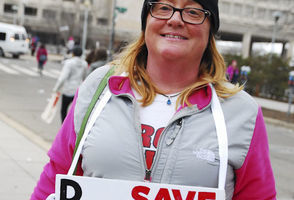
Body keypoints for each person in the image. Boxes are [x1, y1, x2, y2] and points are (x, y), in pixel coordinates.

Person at [31, 0, 276, 199]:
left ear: (210, 29)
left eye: (193, 11)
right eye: (163, 7)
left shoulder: (241, 112)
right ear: (146, 20)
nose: (175, 19)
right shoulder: (99, 87)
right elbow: (55, 177)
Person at [52, 45, 87, 122]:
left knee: (64, 110)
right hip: (78, 90)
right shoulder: (84, 64)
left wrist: (56, 89)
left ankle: (64, 128)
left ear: (73, 53)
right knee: (74, 112)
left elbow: (63, 77)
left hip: (68, 90)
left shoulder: (69, 63)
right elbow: (84, 77)